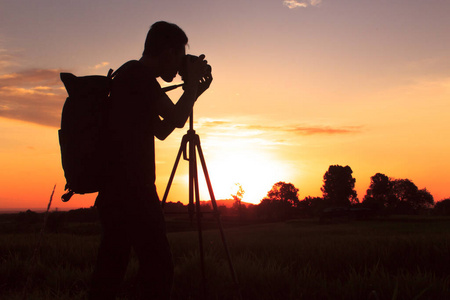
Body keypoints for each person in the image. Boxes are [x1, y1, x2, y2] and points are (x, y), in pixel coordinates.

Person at [89, 21, 212, 300]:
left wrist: (195, 90)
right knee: (158, 269)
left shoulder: (132, 75)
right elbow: (176, 120)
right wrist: (191, 83)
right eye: (179, 58)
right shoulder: (139, 76)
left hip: (117, 191)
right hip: (133, 191)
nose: (179, 66)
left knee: (111, 272)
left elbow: (163, 129)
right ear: (168, 52)